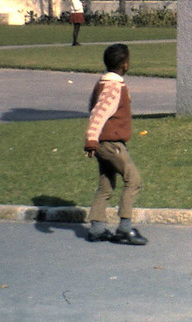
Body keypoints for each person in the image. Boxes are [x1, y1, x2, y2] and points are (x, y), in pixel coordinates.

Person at [84, 43, 147, 246]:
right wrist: (91, 140)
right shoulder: (113, 87)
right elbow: (98, 113)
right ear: (124, 64)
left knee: (106, 185)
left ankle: (97, 229)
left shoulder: (102, 83)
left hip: (105, 143)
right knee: (133, 180)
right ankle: (124, 228)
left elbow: (92, 107)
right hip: (111, 144)